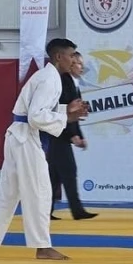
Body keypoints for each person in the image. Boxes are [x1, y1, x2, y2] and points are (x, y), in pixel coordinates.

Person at [0, 39, 89, 260]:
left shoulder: (49, 77)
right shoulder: (49, 79)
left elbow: (39, 110)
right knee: (41, 191)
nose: (74, 60)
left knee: (8, 194)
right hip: (25, 138)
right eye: (71, 55)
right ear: (59, 57)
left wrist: (67, 110)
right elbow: (36, 116)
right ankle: (42, 246)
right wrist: (66, 116)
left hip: (18, 137)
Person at [47, 52, 97, 221]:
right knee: (68, 172)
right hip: (58, 135)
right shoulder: (64, 82)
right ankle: (77, 210)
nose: (82, 67)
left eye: (82, 64)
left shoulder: (73, 84)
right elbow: (63, 111)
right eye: (78, 64)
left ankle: (46, 211)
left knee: (54, 175)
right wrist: (72, 135)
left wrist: (78, 135)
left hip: (61, 135)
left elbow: (75, 116)